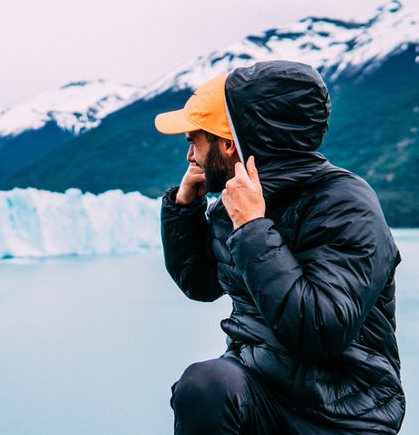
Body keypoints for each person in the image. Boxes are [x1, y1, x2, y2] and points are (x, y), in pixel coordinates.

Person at [155, 61, 405, 434]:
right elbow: (202, 284)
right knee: (205, 387)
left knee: (208, 385)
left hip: (342, 413)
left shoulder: (345, 204)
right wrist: (184, 209)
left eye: (194, 140)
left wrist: (253, 227)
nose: (189, 156)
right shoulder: (235, 202)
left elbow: (320, 331)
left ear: (228, 146)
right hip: (260, 391)